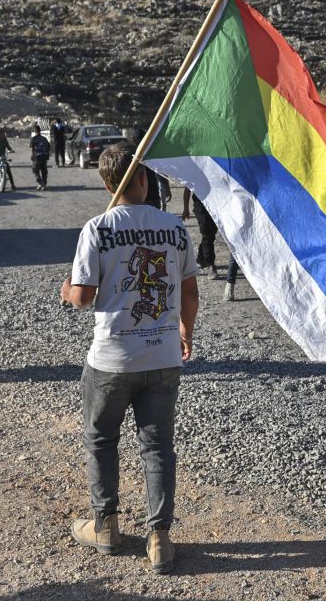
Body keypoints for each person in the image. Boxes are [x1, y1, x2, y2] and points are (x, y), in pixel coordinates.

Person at [61, 143, 198, 575]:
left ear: (106, 183)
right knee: (157, 446)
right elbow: (190, 291)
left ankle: (107, 527)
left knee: (101, 440)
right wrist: (185, 332)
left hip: (112, 358)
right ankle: (159, 539)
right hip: (162, 352)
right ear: (143, 180)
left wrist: (67, 290)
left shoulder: (97, 228)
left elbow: (82, 298)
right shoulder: (175, 229)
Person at [181, 188, 219, 280]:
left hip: (216, 202)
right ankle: (210, 264)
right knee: (206, 230)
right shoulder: (196, 172)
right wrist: (186, 209)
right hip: (200, 204)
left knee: (212, 232)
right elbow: (187, 189)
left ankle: (201, 257)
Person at [30, 125, 51, 190]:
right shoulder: (44, 138)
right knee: (44, 171)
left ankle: (41, 183)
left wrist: (32, 155)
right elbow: (48, 147)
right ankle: (43, 184)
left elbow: (32, 148)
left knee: (35, 170)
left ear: (34, 131)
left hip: (37, 157)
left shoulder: (33, 138)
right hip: (44, 157)